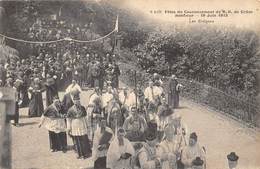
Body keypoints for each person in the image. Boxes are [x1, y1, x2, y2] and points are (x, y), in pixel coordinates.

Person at [66, 93, 92, 159]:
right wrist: (69, 128)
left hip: (82, 125)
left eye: (78, 100)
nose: (76, 101)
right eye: (75, 100)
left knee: (84, 139)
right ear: (73, 101)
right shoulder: (70, 109)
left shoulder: (83, 108)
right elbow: (68, 119)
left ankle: (86, 153)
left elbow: (85, 118)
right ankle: (79, 154)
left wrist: (88, 125)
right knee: (77, 140)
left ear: (79, 100)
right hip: (75, 126)